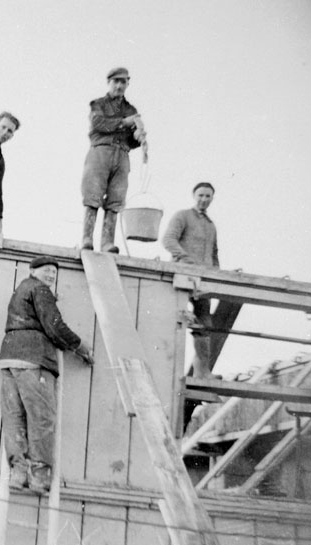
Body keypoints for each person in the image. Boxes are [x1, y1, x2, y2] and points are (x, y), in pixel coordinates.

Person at [0, 256, 94, 494]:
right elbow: (55, 326)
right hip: (33, 359)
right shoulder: (40, 290)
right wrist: (81, 348)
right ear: (33, 271)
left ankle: (18, 474)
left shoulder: (22, 289)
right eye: (46, 270)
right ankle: (39, 477)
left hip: (9, 358)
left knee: (14, 418)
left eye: (53, 272)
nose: (51, 275)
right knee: (41, 418)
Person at [80, 67, 148, 254]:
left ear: (127, 83)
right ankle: (87, 238)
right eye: (115, 81)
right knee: (93, 194)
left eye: (123, 81)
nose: (119, 85)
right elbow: (98, 124)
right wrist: (124, 123)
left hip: (122, 154)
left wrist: (138, 136)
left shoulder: (131, 109)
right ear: (109, 82)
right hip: (101, 152)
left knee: (116, 198)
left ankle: (107, 242)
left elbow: (131, 141)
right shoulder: (98, 104)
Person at [162, 182, 220, 379]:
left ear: (212, 199)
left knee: (204, 322)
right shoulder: (182, 216)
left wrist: (216, 276)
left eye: (208, 196)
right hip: (182, 276)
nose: (204, 199)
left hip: (203, 281)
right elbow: (169, 240)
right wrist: (186, 260)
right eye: (201, 195)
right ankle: (166, 366)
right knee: (175, 317)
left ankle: (202, 371)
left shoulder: (211, 226)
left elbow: (214, 254)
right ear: (194, 195)